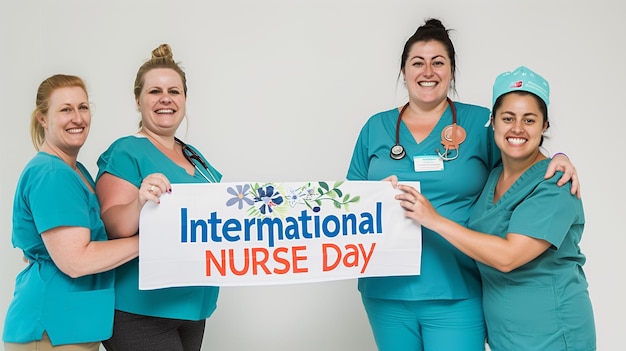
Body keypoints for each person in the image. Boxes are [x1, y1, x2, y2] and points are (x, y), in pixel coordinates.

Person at [346, 19, 581, 351]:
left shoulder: (480, 123)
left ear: (452, 71)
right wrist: (372, 197)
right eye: (418, 62)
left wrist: (557, 157)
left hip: (457, 288)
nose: (428, 71)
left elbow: (520, 155)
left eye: (438, 62)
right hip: (385, 290)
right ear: (403, 71)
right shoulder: (375, 128)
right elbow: (345, 207)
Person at [396, 66, 596, 350]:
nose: (517, 128)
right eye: (507, 118)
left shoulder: (556, 184)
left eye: (529, 119)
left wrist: (434, 220)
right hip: (506, 335)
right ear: (493, 122)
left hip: (553, 331)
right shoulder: (493, 175)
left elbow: (508, 257)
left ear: (545, 126)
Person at [95, 44, 222, 351]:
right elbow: (113, 226)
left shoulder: (196, 158)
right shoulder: (127, 152)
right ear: (138, 101)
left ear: (185, 100)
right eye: (154, 91)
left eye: (174, 91)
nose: (166, 98)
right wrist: (139, 202)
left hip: (192, 310)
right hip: (141, 311)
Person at [3, 74, 139, 350]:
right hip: (51, 330)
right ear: (43, 118)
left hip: (72, 326)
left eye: (83, 107)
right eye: (65, 109)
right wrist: (147, 243)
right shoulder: (51, 174)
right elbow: (76, 261)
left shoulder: (76, 171)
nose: (77, 118)